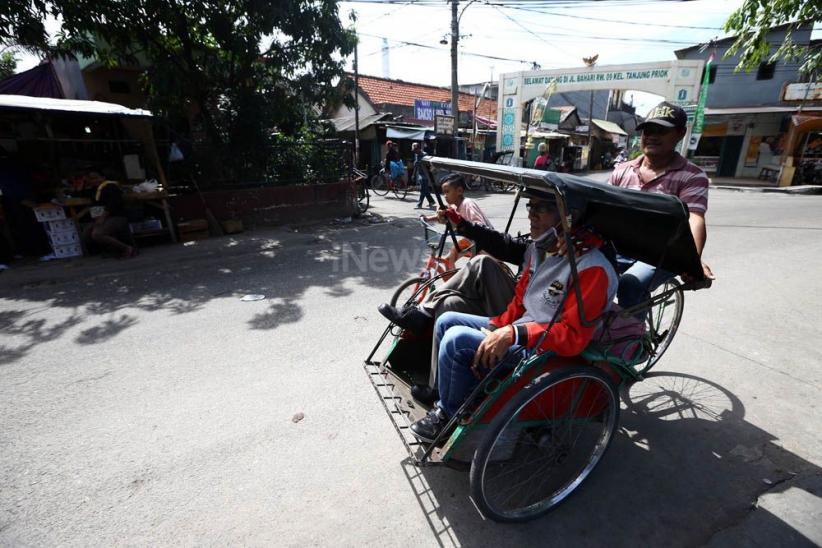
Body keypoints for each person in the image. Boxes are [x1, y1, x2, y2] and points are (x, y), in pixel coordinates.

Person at [409, 193, 618, 442]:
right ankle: (445, 394)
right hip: (522, 332)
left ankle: (447, 415)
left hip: (544, 349)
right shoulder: (537, 250)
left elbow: (573, 337)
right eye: (530, 207)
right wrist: (499, 326)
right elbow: (520, 301)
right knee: (447, 320)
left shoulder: (592, 268)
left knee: (457, 339)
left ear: (569, 217)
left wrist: (513, 333)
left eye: (542, 208)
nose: (531, 215)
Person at [608, 101, 715, 311]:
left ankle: (634, 332)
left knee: (631, 284)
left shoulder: (692, 176)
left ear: (680, 134)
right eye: (648, 130)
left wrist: (692, 261)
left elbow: (695, 218)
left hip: (662, 255)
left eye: (661, 131)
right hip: (620, 248)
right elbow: (601, 208)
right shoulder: (622, 171)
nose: (652, 136)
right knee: (575, 271)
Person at [421, 174, 492, 269]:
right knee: (448, 260)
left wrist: (462, 228)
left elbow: (480, 225)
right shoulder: (454, 206)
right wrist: (427, 218)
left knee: (470, 270)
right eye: (443, 193)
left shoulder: (467, 204)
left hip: (483, 244)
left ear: (459, 191)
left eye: (447, 192)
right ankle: (452, 277)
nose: (445, 196)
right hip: (470, 241)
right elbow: (445, 217)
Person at [85, 180, 137, 258]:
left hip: (116, 217)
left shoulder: (111, 187)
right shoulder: (94, 190)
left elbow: (113, 204)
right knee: (86, 233)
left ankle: (127, 248)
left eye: (95, 178)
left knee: (97, 234)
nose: (93, 180)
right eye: (91, 178)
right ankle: (109, 250)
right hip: (101, 218)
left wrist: (102, 217)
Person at [412, 142, 435, 209]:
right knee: (425, 189)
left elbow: (429, 165)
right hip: (420, 174)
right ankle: (431, 201)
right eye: (414, 150)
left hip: (425, 174)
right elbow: (416, 166)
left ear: (419, 149)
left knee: (422, 189)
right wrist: (413, 174)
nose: (415, 152)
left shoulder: (425, 155)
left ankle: (419, 204)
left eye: (415, 150)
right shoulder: (416, 155)